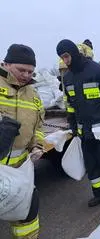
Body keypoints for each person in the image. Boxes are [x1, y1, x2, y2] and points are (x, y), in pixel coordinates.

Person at [56, 39, 100, 208]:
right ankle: (99, 194)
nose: (65, 60)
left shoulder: (97, 70)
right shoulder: (68, 78)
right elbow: (69, 103)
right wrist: (72, 123)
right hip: (84, 130)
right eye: (61, 58)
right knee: (91, 164)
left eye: (66, 56)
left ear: (73, 52)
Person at [0, 44, 45, 239]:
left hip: (21, 167)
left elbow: (39, 126)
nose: (26, 75)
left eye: (30, 71)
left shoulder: (33, 95)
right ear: (6, 64)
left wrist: (37, 145)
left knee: (27, 215)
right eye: (21, 70)